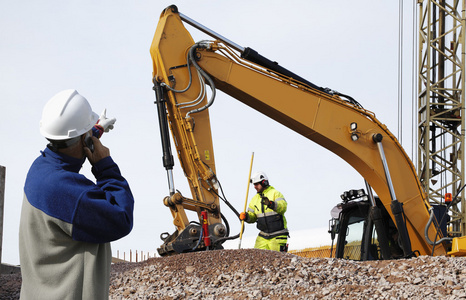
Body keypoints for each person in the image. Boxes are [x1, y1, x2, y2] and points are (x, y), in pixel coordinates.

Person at [19, 89, 134, 299]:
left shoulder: (41, 168)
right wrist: (105, 167)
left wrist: (95, 130)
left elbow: (70, 147)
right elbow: (122, 217)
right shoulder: (70, 193)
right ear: (83, 139)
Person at [239, 171, 289, 252]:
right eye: (254, 184)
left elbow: (283, 207)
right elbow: (253, 217)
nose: (255, 187)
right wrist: (246, 217)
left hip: (277, 235)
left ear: (264, 182)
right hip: (263, 236)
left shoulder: (275, 193)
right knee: (256, 258)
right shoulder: (255, 199)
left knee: (277, 261)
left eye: (257, 184)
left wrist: (271, 204)